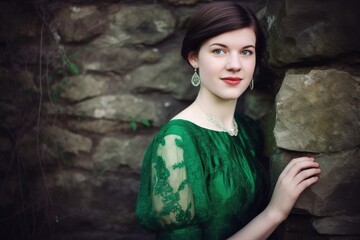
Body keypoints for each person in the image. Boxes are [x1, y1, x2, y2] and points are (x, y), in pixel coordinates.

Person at [135, 2, 321, 240]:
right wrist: (274, 213)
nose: (235, 65)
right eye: (219, 51)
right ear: (194, 58)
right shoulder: (176, 142)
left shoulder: (248, 130)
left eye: (246, 52)